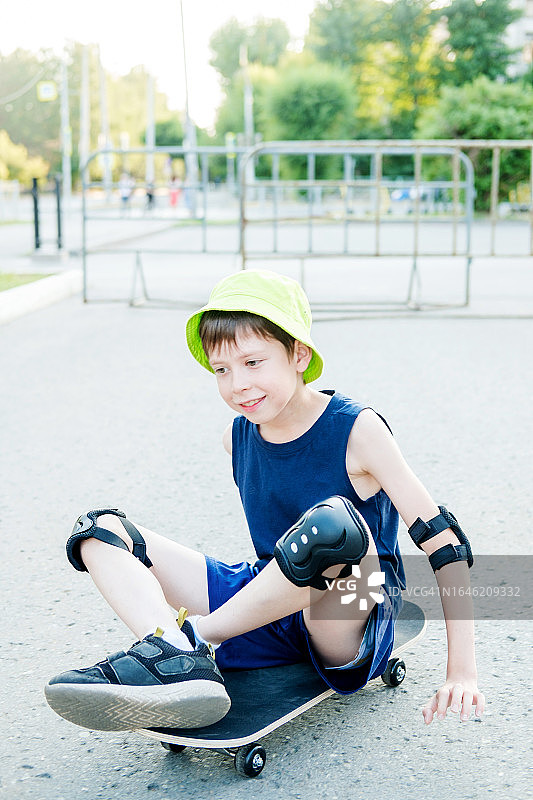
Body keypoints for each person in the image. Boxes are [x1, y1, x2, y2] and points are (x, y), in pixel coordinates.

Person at [45, 269, 485, 732]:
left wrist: (462, 672)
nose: (237, 384)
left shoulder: (358, 430)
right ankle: (171, 651)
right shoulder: (237, 438)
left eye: (253, 362)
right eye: (222, 369)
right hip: (266, 603)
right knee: (99, 530)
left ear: (299, 354)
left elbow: (445, 542)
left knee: (334, 528)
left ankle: (189, 642)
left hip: (350, 614)